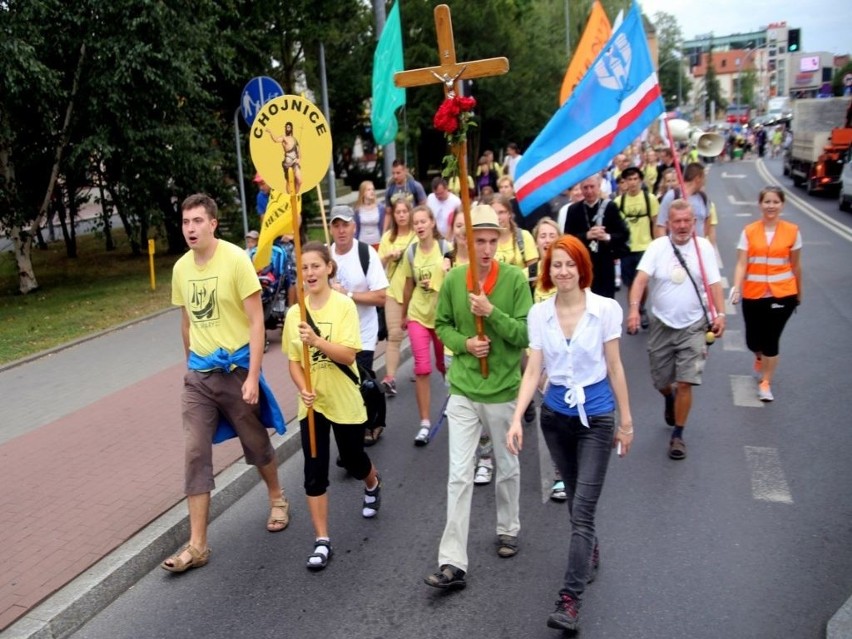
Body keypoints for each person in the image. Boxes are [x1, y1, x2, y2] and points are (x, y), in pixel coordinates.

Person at [506, 234, 633, 632]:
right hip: (555, 418)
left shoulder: (605, 309)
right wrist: (516, 418)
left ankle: (570, 599)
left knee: (581, 510)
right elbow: (533, 370)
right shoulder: (540, 314)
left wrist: (626, 422)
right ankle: (589, 547)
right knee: (576, 499)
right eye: (556, 264)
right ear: (549, 270)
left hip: (596, 420)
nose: (562, 271)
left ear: (582, 269)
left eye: (569, 264)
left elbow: (614, 367)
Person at [162, 194, 289, 573]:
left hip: (235, 369)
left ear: (213, 223)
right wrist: (190, 367)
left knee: (254, 442)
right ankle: (198, 545)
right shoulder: (181, 269)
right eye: (186, 222)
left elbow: (255, 322)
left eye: (197, 221)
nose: (190, 228)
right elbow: (186, 322)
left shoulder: (236, 259)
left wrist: (252, 375)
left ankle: (277, 496)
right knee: (195, 452)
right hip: (199, 375)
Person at [424, 204, 532, 591]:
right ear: (466, 242)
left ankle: (508, 527)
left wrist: (492, 313)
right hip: (464, 390)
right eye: (479, 241)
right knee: (458, 475)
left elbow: (524, 334)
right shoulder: (454, 279)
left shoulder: (516, 280)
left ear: (500, 240)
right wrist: (466, 344)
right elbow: (442, 326)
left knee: (507, 465)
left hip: (503, 390)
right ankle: (452, 561)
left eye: (492, 240)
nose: (486, 249)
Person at [283, 241, 382, 571]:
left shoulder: (343, 306)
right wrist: (302, 387)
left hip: (344, 400)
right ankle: (322, 540)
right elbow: (294, 362)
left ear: (328, 268)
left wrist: (316, 340)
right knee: (314, 472)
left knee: (353, 460)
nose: (309, 273)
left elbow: (348, 355)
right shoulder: (294, 314)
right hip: (313, 405)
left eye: (315, 266)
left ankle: (372, 483)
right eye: (304, 268)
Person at [626, 199, 726, 460]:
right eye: (677, 221)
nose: (682, 226)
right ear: (668, 223)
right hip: (662, 324)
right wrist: (635, 309)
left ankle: (678, 435)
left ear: (694, 222)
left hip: (693, 326)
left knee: (685, 382)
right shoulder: (658, 247)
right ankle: (667, 396)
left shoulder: (703, 248)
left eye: (687, 221)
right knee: (661, 381)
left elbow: (714, 284)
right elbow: (640, 280)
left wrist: (721, 314)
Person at [729, 186, 802, 402]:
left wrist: (799, 293)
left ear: (782, 205)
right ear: (760, 205)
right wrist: (736, 287)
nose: (771, 206)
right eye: (767, 202)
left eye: (775, 202)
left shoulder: (792, 231)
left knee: (772, 339)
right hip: (754, 294)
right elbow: (742, 262)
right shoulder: (749, 231)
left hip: (783, 294)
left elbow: (796, 266)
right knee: (754, 341)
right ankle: (759, 357)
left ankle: (765, 383)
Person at [401, 205, 449, 445]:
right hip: (418, 314)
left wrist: (439, 284)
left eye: (423, 221)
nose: (419, 226)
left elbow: (455, 281)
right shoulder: (411, 253)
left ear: (432, 223)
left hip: (441, 316)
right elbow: (408, 285)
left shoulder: (445, 248)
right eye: (415, 223)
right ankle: (424, 423)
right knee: (422, 367)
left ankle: (455, 398)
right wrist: (403, 315)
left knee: (444, 364)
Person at [328, 205, 389, 373]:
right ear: (330, 229)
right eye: (336, 225)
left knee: (361, 386)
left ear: (354, 227)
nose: (341, 230)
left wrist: (347, 294)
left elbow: (382, 297)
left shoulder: (366, 253)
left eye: (345, 225)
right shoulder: (325, 256)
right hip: (335, 337)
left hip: (363, 334)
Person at [563, 176, 630, 299]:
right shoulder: (573, 210)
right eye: (585, 188)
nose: (589, 191)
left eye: (592, 187)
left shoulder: (610, 207)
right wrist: (586, 235)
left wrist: (607, 236)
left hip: (605, 262)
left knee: (606, 301)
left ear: (599, 187)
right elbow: (567, 237)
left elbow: (623, 234)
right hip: (583, 263)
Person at [377, 199, 416, 397]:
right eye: (397, 212)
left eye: (404, 211)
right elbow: (377, 265)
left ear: (410, 213)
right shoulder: (387, 238)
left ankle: (421, 365)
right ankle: (390, 378)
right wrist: (387, 256)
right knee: (394, 335)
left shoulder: (416, 235)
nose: (401, 215)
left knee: (418, 335)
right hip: (393, 292)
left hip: (416, 294)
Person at [616, 166, 660, 329]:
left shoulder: (650, 199)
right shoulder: (619, 202)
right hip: (627, 249)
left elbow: (656, 223)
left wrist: (658, 245)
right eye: (629, 179)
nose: (633, 183)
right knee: (629, 283)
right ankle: (636, 311)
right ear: (625, 182)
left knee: (642, 282)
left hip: (645, 247)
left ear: (640, 180)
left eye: (635, 179)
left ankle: (641, 309)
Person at [655, 162, 716, 246]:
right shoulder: (672, 196)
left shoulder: (703, 197)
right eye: (703, 178)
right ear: (698, 178)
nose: (704, 182)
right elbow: (661, 226)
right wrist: (666, 249)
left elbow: (708, 221)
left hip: (697, 251)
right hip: (676, 250)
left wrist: (701, 241)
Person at [265, 122, 301, 194]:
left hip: (295, 162)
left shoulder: (294, 139)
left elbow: (299, 151)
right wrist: (271, 132)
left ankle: (294, 195)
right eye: (286, 127)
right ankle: (289, 196)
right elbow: (276, 140)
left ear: (291, 129)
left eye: (289, 127)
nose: (287, 129)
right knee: (289, 180)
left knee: (299, 181)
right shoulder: (284, 137)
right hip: (288, 161)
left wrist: (299, 159)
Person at [353, 180, 386, 247]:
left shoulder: (380, 208)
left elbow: (383, 226)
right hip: (362, 242)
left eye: (373, 189)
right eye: (368, 190)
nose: (372, 192)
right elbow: (355, 228)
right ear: (363, 192)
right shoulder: (357, 209)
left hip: (377, 242)